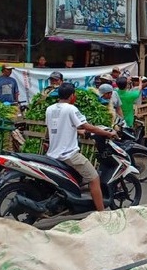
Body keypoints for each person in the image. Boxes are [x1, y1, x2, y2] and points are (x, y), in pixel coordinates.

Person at [45, 82, 117, 211]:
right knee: (94, 178)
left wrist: (77, 131)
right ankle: (102, 213)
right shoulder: (71, 109)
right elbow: (86, 126)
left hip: (53, 154)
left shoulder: (50, 109)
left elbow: (57, 128)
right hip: (69, 154)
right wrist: (108, 133)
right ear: (72, 95)